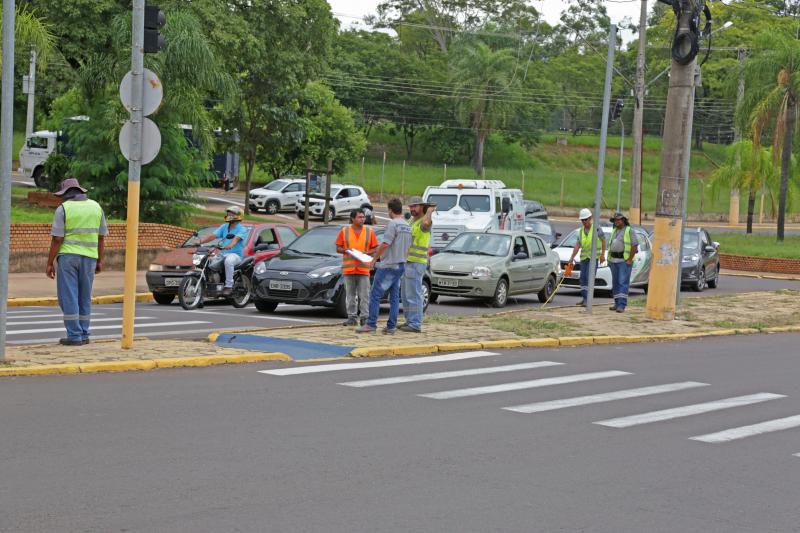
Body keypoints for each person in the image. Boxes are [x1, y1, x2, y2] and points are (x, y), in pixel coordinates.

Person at [45, 178, 108, 346]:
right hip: (90, 258)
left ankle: (74, 335)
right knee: (84, 297)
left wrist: (50, 263)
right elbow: (101, 238)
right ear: (80, 191)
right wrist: (99, 260)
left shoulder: (63, 209)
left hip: (68, 258)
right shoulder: (96, 207)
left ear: (66, 194)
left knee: (69, 296)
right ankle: (84, 333)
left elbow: (57, 239)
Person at [355, 198, 412, 334]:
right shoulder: (407, 225)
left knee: (375, 294)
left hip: (388, 265)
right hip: (401, 264)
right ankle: (391, 326)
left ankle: (371, 324)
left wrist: (374, 259)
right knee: (393, 297)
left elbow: (386, 244)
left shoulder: (393, 224)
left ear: (390, 210)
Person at [336, 208, 379, 326]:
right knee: (350, 295)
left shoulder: (369, 232)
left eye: (363, 217)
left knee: (364, 295)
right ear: (353, 218)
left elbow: (375, 249)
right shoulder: (344, 231)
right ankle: (352, 317)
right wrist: (346, 250)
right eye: (360, 217)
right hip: (349, 269)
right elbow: (338, 248)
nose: (362, 219)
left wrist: (367, 253)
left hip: (363, 269)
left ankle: (364, 317)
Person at [196, 206, 249, 296]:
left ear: (238, 216)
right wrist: (199, 241)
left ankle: (228, 286)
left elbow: (236, 239)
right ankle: (206, 286)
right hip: (223, 254)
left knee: (228, 261)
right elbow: (212, 236)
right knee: (206, 261)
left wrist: (229, 246)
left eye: (231, 213)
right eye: (228, 213)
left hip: (235, 255)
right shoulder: (224, 227)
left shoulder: (242, 229)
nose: (229, 215)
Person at [400, 195, 434, 333]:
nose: (412, 209)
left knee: (413, 295)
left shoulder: (424, 221)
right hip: (408, 262)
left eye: (415, 206)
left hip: (416, 262)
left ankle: (415, 323)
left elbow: (426, 224)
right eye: (411, 206)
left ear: (422, 207)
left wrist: (430, 210)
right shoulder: (412, 221)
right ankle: (409, 321)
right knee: (406, 296)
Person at [567, 208, 607, 307]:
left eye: (585, 219)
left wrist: (602, 255)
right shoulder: (581, 231)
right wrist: (572, 257)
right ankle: (585, 298)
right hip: (584, 259)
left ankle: (588, 300)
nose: (584, 222)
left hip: (593, 259)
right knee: (583, 279)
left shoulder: (597, 229)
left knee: (589, 278)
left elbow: (603, 240)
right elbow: (577, 245)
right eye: (582, 220)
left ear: (590, 218)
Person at [607, 212, 638, 312]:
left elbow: (634, 246)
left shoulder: (629, 231)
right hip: (613, 260)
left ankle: (622, 305)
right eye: (615, 220)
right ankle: (616, 303)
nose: (617, 222)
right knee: (615, 283)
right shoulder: (614, 230)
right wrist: (609, 260)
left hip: (624, 261)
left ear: (623, 220)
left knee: (622, 282)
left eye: (619, 220)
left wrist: (629, 259)